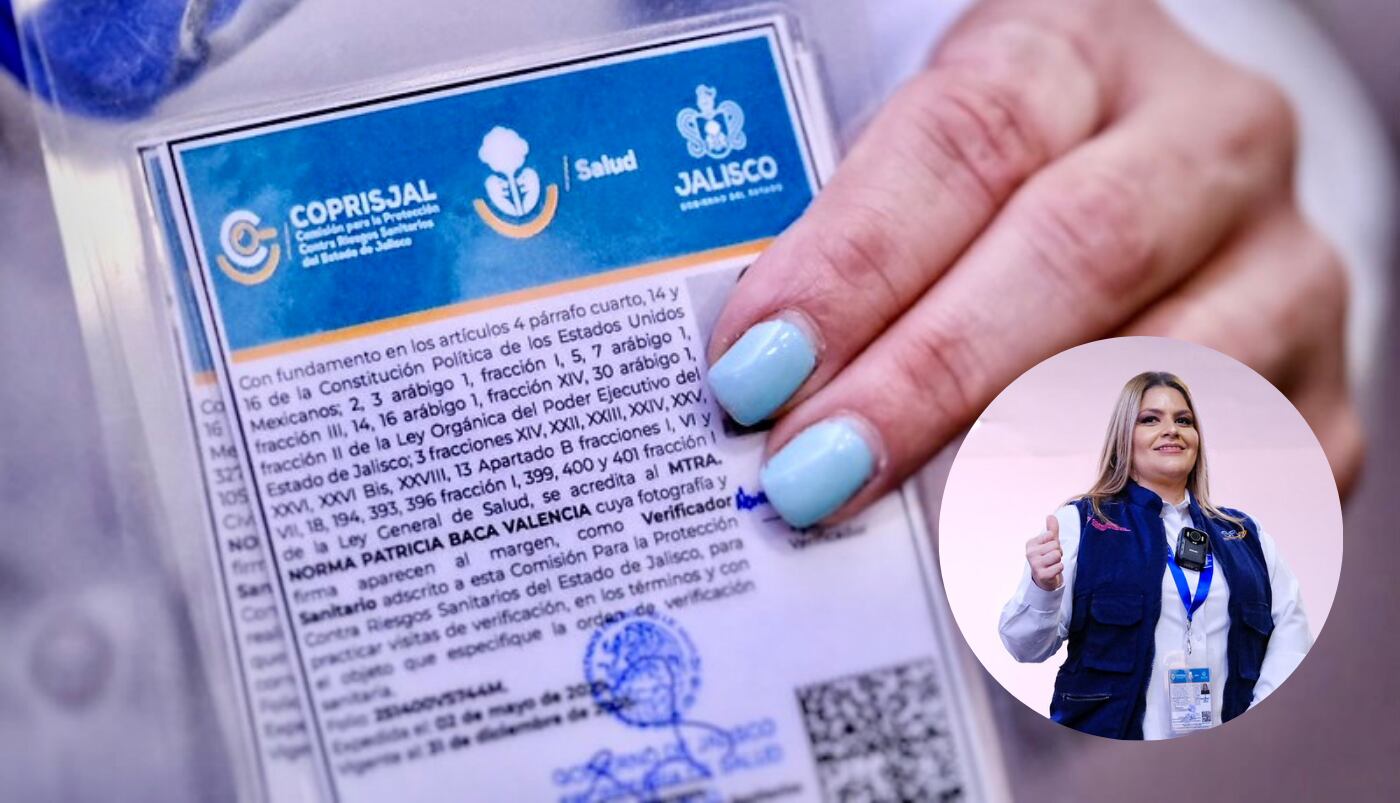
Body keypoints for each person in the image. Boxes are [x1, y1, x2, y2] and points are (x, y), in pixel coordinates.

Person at [997, 371, 1311, 739]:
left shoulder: (1245, 534)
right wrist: (1043, 587)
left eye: (1184, 420)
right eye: (1150, 419)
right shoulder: (1083, 523)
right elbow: (1023, 646)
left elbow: (1292, 634)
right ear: (1123, 439)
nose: (1171, 430)